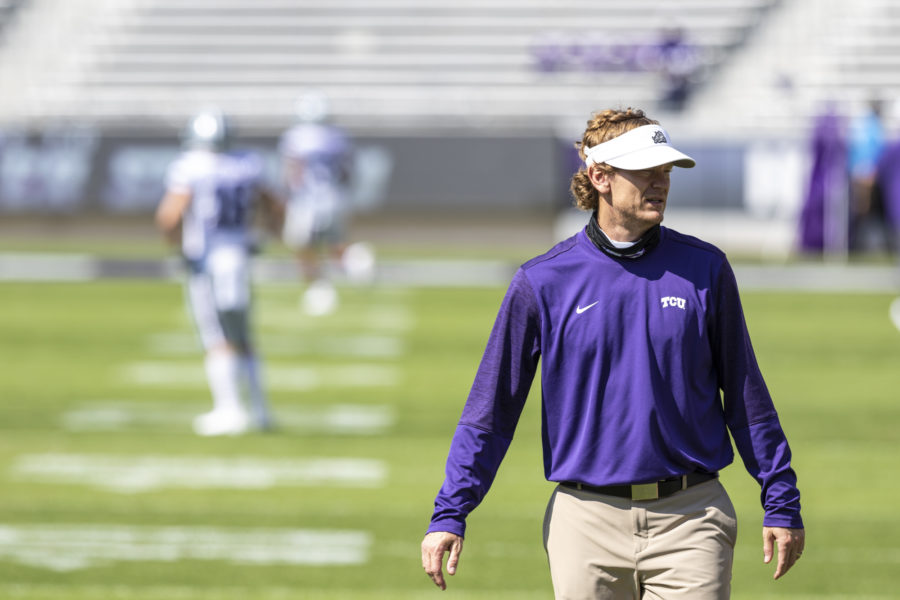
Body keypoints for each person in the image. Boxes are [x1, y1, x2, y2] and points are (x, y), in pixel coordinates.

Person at [421, 108, 805, 598]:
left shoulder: (706, 269)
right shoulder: (541, 281)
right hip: (585, 522)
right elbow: (491, 410)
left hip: (693, 516)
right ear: (600, 176)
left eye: (665, 171)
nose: (660, 182)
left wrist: (781, 498)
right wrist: (451, 511)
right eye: (646, 171)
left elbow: (747, 395)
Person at [155, 108, 284, 436]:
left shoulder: (190, 166)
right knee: (244, 337)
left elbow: (169, 217)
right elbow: (275, 206)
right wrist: (266, 236)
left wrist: (177, 248)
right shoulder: (248, 164)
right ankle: (261, 411)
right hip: (240, 256)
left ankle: (230, 411)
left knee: (218, 337)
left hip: (208, 260)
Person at [278, 92, 374, 316]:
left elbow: (292, 174)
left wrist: (289, 195)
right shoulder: (338, 137)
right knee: (335, 244)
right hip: (334, 197)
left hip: (306, 199)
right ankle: (356, 260)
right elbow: (347, 172)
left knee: (303, 247)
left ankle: (318, 289)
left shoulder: (295, 137)